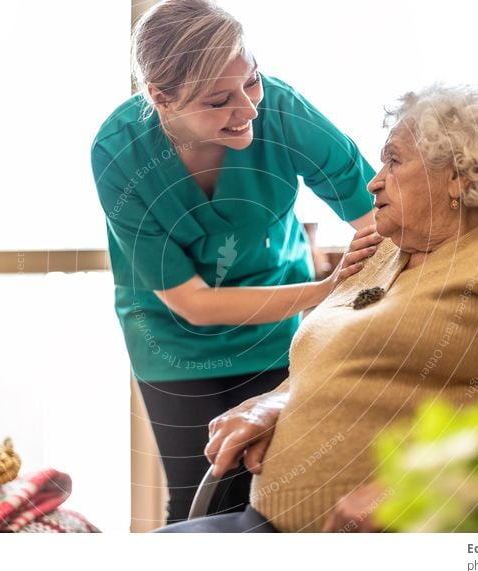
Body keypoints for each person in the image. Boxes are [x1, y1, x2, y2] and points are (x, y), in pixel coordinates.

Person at [159, 83, 478, 532]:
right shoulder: (376, 254)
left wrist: (424, 488)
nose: (373, 181)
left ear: (460, 174)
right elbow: (328, 366)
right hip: (260, 523)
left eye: (393, 160)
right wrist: (273, 402)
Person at [91, 0, 380, 524]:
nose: (247, 109)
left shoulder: (283, 112)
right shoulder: (119, 154)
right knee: (196, 498)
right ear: (160, 97)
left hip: (274, 325)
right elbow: (193, 304)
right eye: (219, 99)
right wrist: (323, 291)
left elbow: (381, 211)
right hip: (170, 338)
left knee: (272, 495)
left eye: (251, 82)